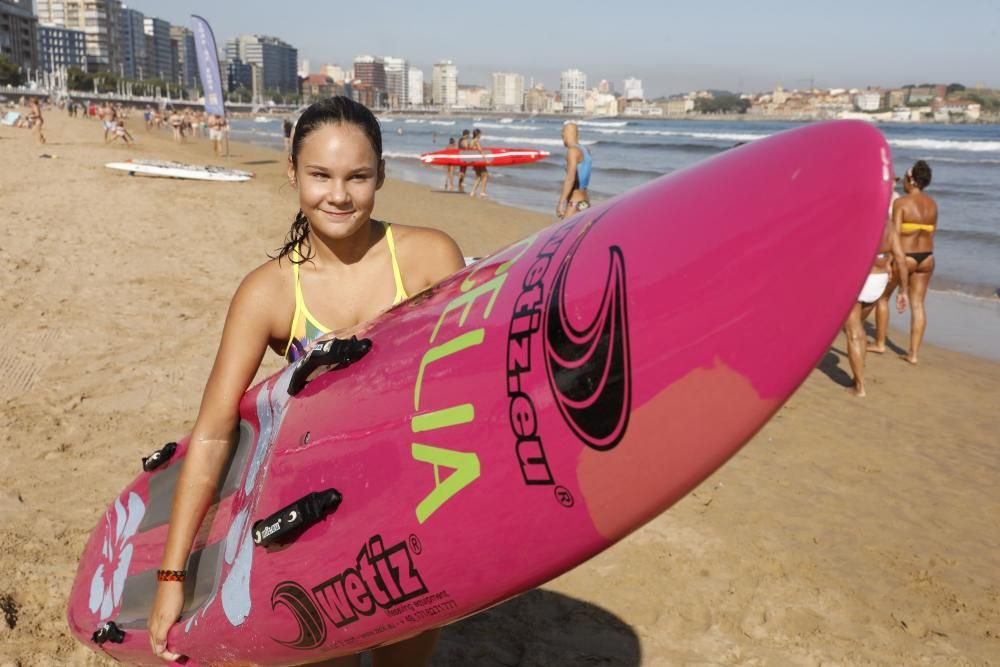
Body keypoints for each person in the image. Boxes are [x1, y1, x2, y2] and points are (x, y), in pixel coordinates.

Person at [148, 96, 464, 667]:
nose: (338, 195)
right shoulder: (269, 292)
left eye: (357, 177)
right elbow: (216, 432)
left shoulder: (428, 258)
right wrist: (173, 574)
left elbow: (470, 386)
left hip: (413, 504)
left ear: (382, 176)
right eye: (319, 175)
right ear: (293, 172)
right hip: (318, 515)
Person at [842, 194, 909, 396]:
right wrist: (903, 291)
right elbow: (901, 259)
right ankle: (858, 375)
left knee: (854, 334)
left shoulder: (862, 221)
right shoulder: (890, 226)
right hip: (879, 283)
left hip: (860, 281)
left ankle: (859, 386)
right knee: (859, 331)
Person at [871, 160, 937, 364]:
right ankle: (913, 354)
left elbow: (895, 235)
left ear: (912, 180)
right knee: (918, 304)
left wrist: (889, 263)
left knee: (882, 299)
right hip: (927, 257)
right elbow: (931, 233)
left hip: (905, 258)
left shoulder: (902, 203)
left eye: (905, 180)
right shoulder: (933, 204)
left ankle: (880, 343)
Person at [557, 122, 592, 218]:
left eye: (562, 135)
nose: (562, 139)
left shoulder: (572, 151)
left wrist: (561, 203)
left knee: (565, 230)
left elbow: (570, 179)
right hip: (585, 200)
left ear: (565, 134)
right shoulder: (585, 149)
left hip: (575, 202)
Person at [468, 128, 489, 199]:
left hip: (474, 160)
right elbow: (480, 150)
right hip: (478, 160)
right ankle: (483, 192)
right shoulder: (476, 141)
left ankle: (472, 192)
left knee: (478, 177)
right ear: (477, 134)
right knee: (485, 174)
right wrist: (486, 159)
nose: (481, 135)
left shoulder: (471, 142)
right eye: (480, 134)